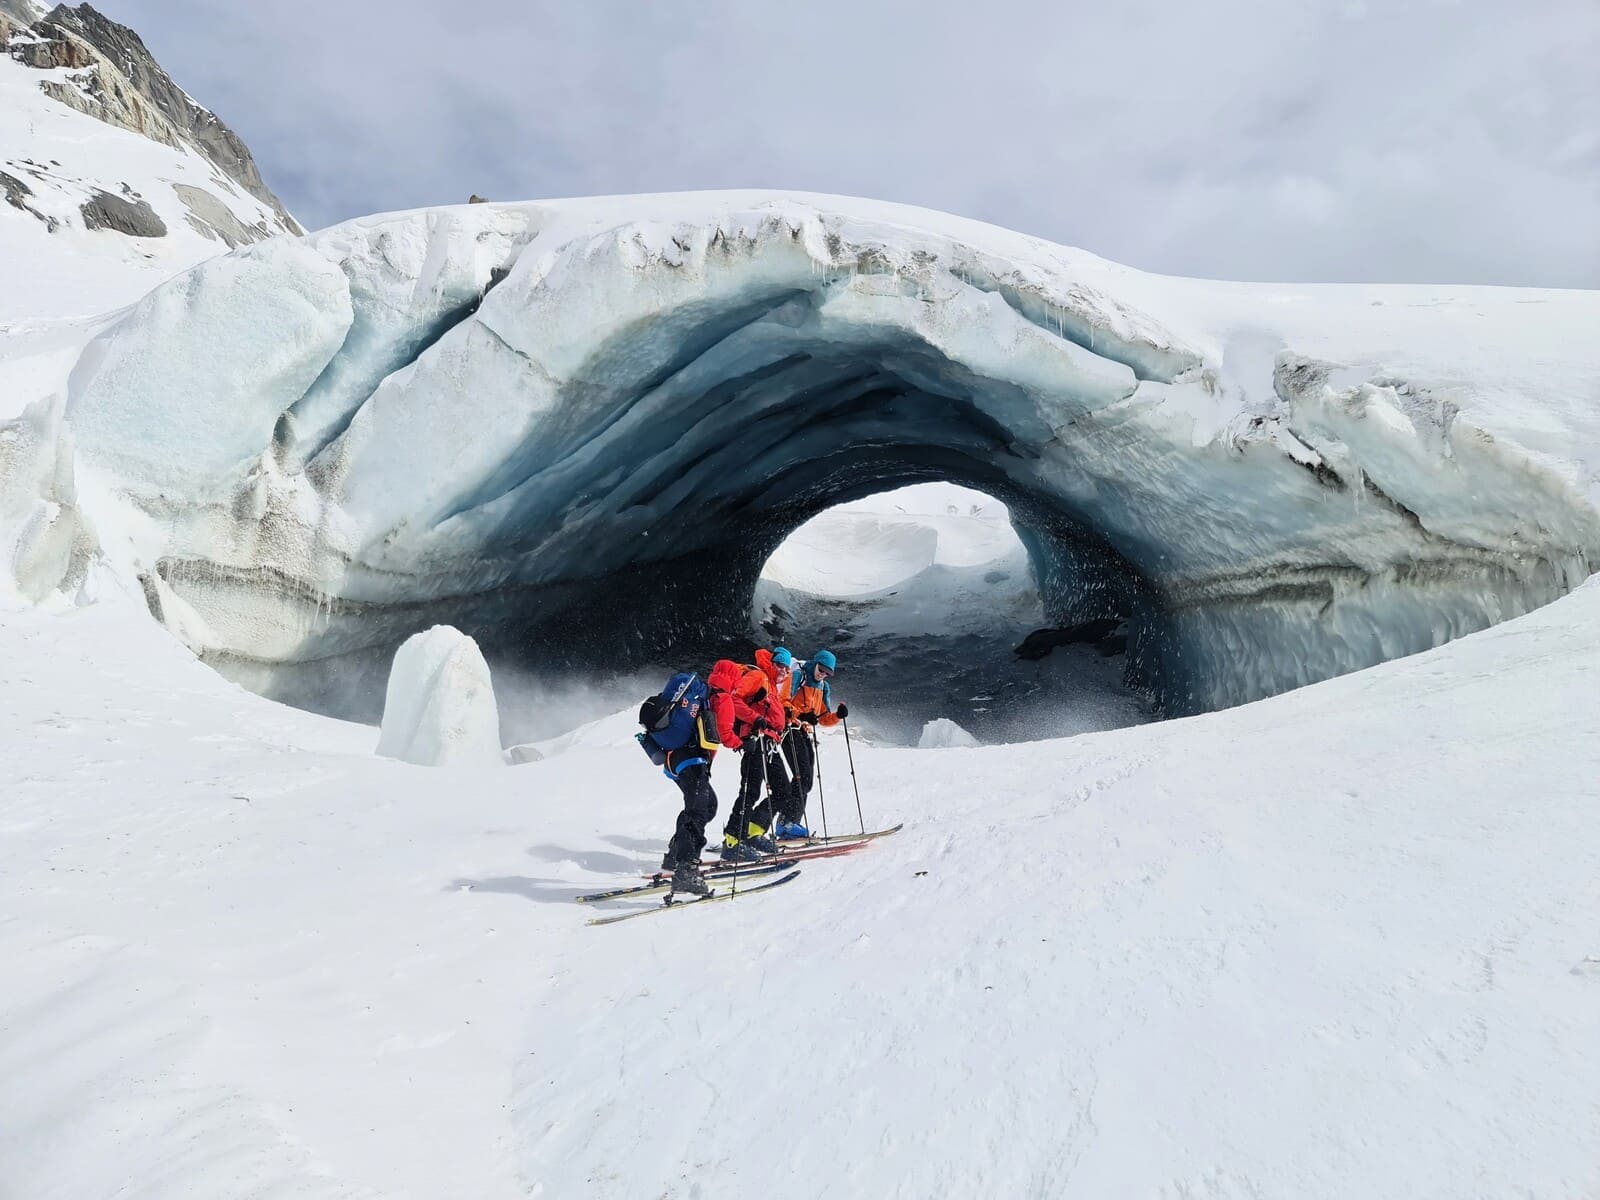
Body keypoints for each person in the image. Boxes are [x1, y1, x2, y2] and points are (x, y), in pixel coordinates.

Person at [651, 659, 748, 895]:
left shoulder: (703, 692)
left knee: (707, 806)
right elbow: (725, 733)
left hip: (676, 758)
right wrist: (742, 743)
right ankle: (687, 870)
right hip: (692, 759)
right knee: (698, 810)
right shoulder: (722, 697)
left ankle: (675, 855)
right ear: (734, 678)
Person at [719, 648, 792, 861]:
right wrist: (755, 719)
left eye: (787, 668)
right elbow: (733, 699)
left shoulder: (771, 685)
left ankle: (753, 832)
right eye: (780, 665)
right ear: (771, 663)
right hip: (755, 739)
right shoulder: (758, 676)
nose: (783, 671)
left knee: (783, 790)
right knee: (750, 791)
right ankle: (732, 842)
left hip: (769, 743)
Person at [774, 648, 849, 838]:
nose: (823, 674)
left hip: (804, 732)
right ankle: (786, 823)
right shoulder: (799, 675)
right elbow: (783, 702)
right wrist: (801, 714)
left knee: (806, 779)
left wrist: (837, 716)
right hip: (789, 730)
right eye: (821, 669)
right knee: (803, 776)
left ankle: (789, 822)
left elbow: (823, 718)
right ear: (816, 663)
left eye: (827, 673)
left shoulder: (823, 687)